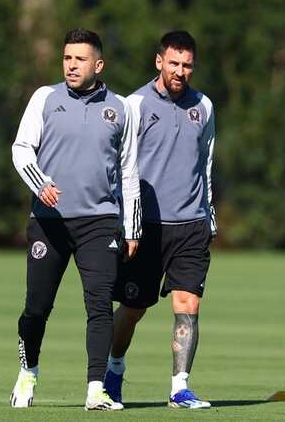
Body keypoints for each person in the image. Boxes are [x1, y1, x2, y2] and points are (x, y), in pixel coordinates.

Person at [9, 28, 140, 411]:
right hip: (48, 221)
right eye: (67, 58)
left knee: (99, 306)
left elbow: (129, 170)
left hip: (99, 221)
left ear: (98, 64)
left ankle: (96, 389)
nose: (71, 65)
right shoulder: (44, 98)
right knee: (37, 307)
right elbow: (21, 149)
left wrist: (132, 226)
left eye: (80, 59)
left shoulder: (120, 108)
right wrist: (40, 184)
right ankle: (28, 370)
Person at [105, 30, 217, 409]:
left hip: (190, 225)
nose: (180, 71)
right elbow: (123, 168)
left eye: (187, 65)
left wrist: (209, 216)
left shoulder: (204, 107)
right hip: (145, 228)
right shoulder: (134, 104)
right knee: (133, 309)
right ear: (159, 61)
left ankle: (179, 388)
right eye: (174, 63)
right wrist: (127, 223)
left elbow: (207, 164)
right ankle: (113, 371)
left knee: (188, 304)